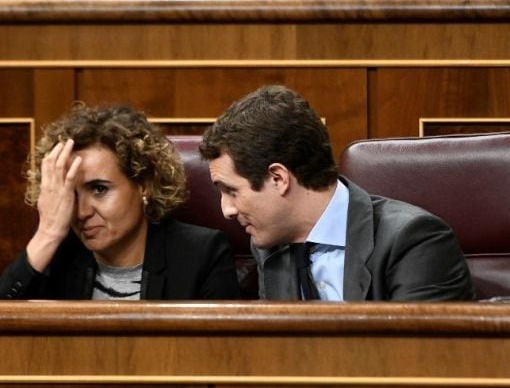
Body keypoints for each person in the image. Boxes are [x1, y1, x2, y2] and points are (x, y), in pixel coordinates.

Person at [199, 85, 473, 301]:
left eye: (232, 191)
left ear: (278, 178)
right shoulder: (269, 245)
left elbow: (420, 361)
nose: (227, 210)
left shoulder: (413, 241)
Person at [0, 104, 239, 300]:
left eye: (99, 189)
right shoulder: (56, 253)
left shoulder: (201, 254)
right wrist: (47, 234)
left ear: (145, 184)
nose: (82, 212)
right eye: (71, 195)